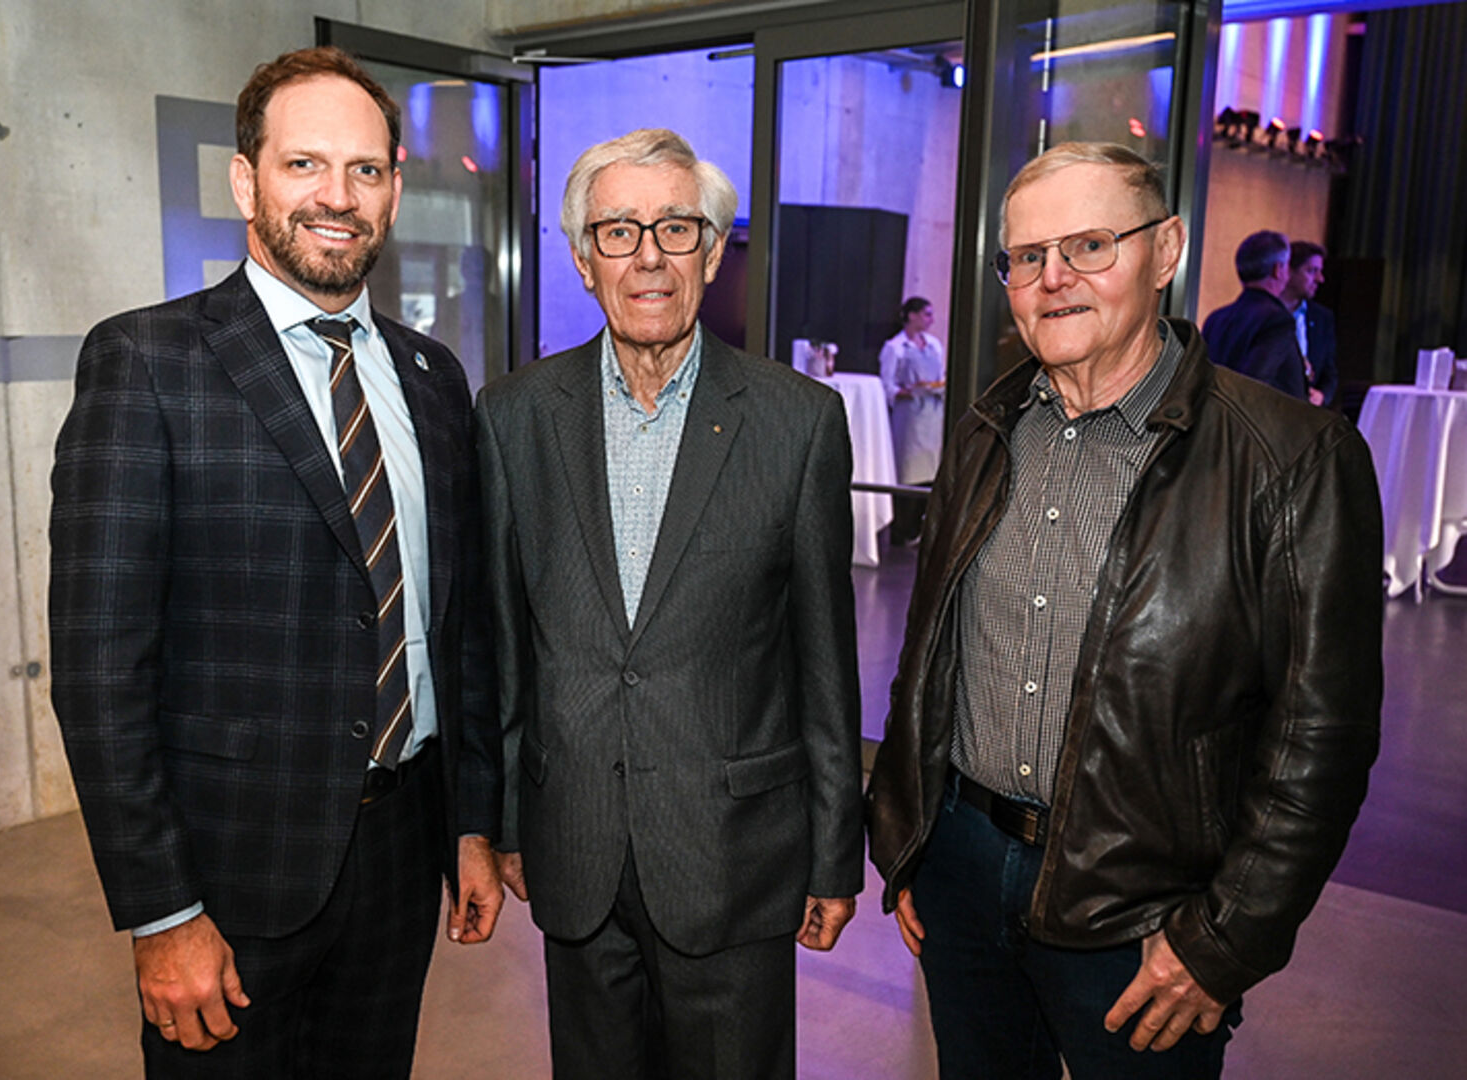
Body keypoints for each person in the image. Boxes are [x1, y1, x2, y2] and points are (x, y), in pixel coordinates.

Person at [866, 142, 1383, 1078]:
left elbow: (1323, 739)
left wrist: (1224, 942)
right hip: (963, 876)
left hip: (1146, 921)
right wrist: (913, 839)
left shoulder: (1291, 459)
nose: (1052, 280)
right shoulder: (984, 434)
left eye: (1090, 245)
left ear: (1167, 250)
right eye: (1027, 257)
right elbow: (930, 654)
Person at [49, 46, 503, 1079]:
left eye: (366, 170)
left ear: (392, 187)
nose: (336, 198)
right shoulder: (147, 366)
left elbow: (457, 627)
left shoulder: (434, 379)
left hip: (400, 858)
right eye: (304, 166)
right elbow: (97, 668)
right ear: (244, 180)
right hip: (229, 876)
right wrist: (163, 912)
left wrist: (471, 824)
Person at [475, 128, 863, 1080]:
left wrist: (833, 853)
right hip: (576, 852)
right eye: (617, 231)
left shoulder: (798, 420)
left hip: (738, 859)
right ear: (579, 258)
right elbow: (506, 647)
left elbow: (824, 661)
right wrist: (508, 825)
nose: (647, 255)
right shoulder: (515, 416)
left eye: (676, 228)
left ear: (714, 250)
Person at [1201, 229, 1310, 400]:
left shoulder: (1216, 319)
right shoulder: (1277, 321)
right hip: (1265, 423)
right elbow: (1254, 384)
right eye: (1287, 265)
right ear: (1278, 269)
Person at [878, 296, 946, 544]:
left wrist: (935, 388)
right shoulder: (895, 348)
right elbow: (886, 386)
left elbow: (939, 377)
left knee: (929, 470)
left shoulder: (934, 345)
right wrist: (910, 390)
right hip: (909, 418)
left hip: (932, 415)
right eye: (926, 314)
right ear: (912, 315)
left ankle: (919, 526)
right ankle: (902, 529)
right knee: (908, 471)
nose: (931, 320)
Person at [1284, 240, 1339, 408]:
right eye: (1311, 271)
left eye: (1320, 272)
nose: (1320, 279)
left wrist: (1322, 395)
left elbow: (1330, 372)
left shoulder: (1322, 317)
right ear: (1288, 272)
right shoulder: (1265, 314)